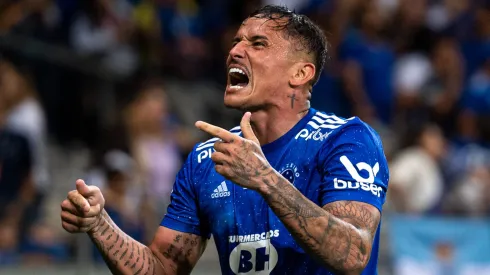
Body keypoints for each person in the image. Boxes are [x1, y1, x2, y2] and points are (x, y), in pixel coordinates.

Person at [60, 5, 389, 275]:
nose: (234, 51)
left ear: (300, 74)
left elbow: (353, 254)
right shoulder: (207, 159)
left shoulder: (346, 139)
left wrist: (265, 180)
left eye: (257, 44)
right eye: (236, 41)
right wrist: (100, 225)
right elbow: (162, 268)